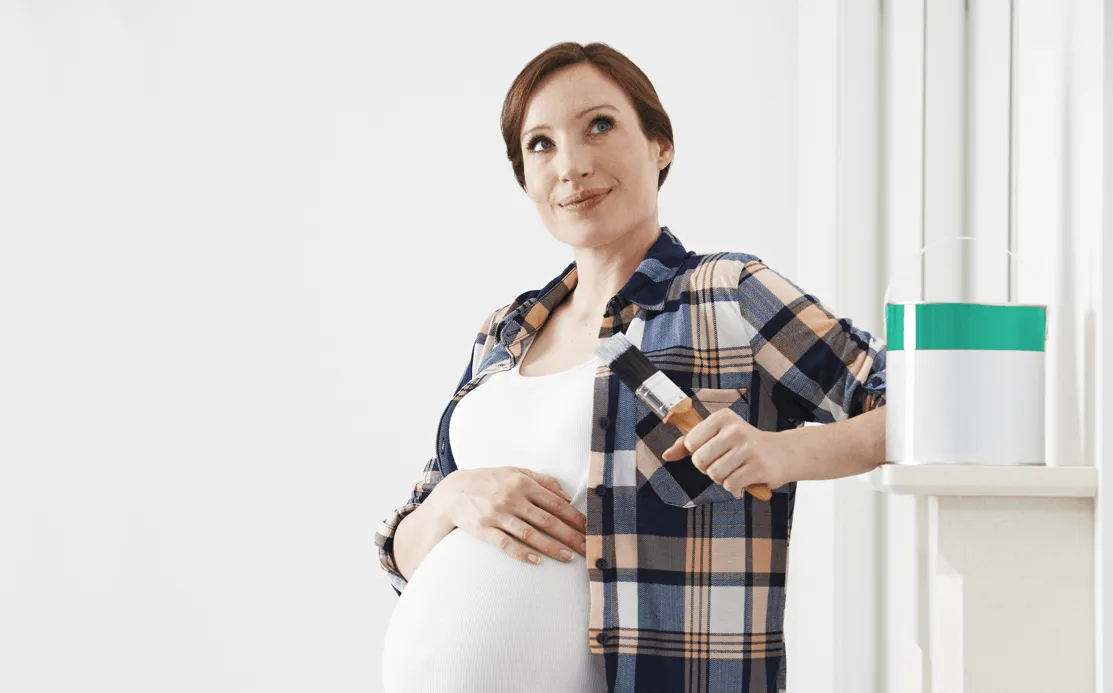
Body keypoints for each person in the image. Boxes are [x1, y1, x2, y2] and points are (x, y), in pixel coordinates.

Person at [374, 41, 887, 693]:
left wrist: (781, 453)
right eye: (541, 144)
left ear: (659, 145)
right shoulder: (501, 333)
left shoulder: (726, 294)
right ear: (524, 178)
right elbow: (408, 553)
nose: (572, 165)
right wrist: (450, 498)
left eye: (599, 125)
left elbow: (919, 409)